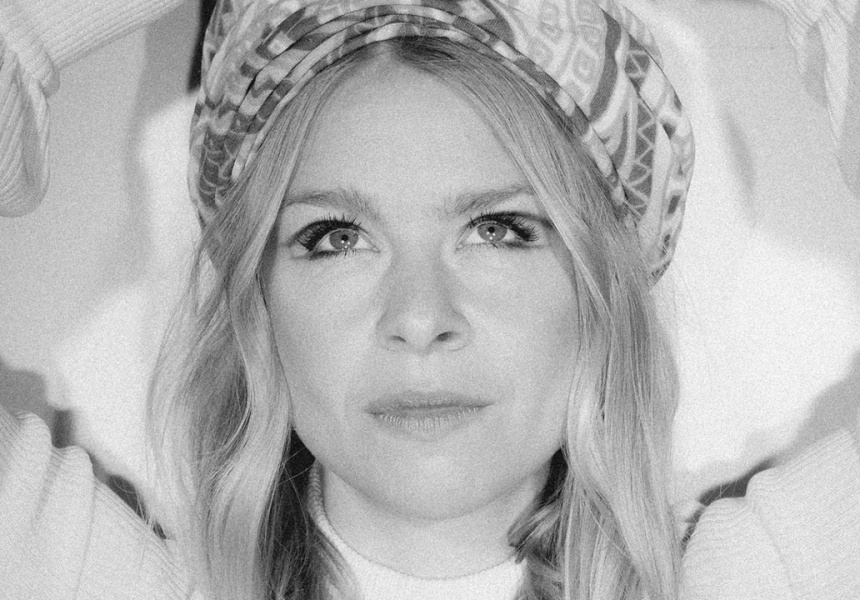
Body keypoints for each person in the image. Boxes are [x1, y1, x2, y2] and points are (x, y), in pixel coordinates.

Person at [0, 1, 857, 600]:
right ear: (257, 305)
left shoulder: (771, 577)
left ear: (601, 294)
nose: (418, 318)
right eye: (336, 237)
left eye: (499, 229)